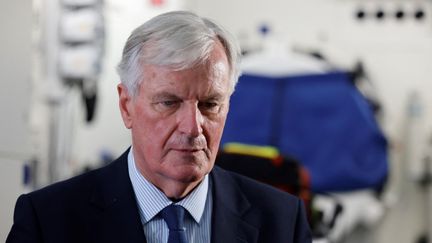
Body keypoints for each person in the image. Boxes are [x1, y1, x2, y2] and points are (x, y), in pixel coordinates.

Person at [7, 11, 311, 243]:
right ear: (127, 106)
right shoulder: (47, 222)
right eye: (168, 103)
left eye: (210, 104)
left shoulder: (282, 222)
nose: (192, 127)